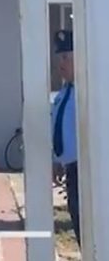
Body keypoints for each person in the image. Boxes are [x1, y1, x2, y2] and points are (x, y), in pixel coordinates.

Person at [52, 29, 80, 246]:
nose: (60, 64)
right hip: (71, 169)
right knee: (79, 223)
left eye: (65, 58)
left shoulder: (89, 92)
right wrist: (57, 160)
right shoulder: (65, 92)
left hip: (86, 170)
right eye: (59, 58)